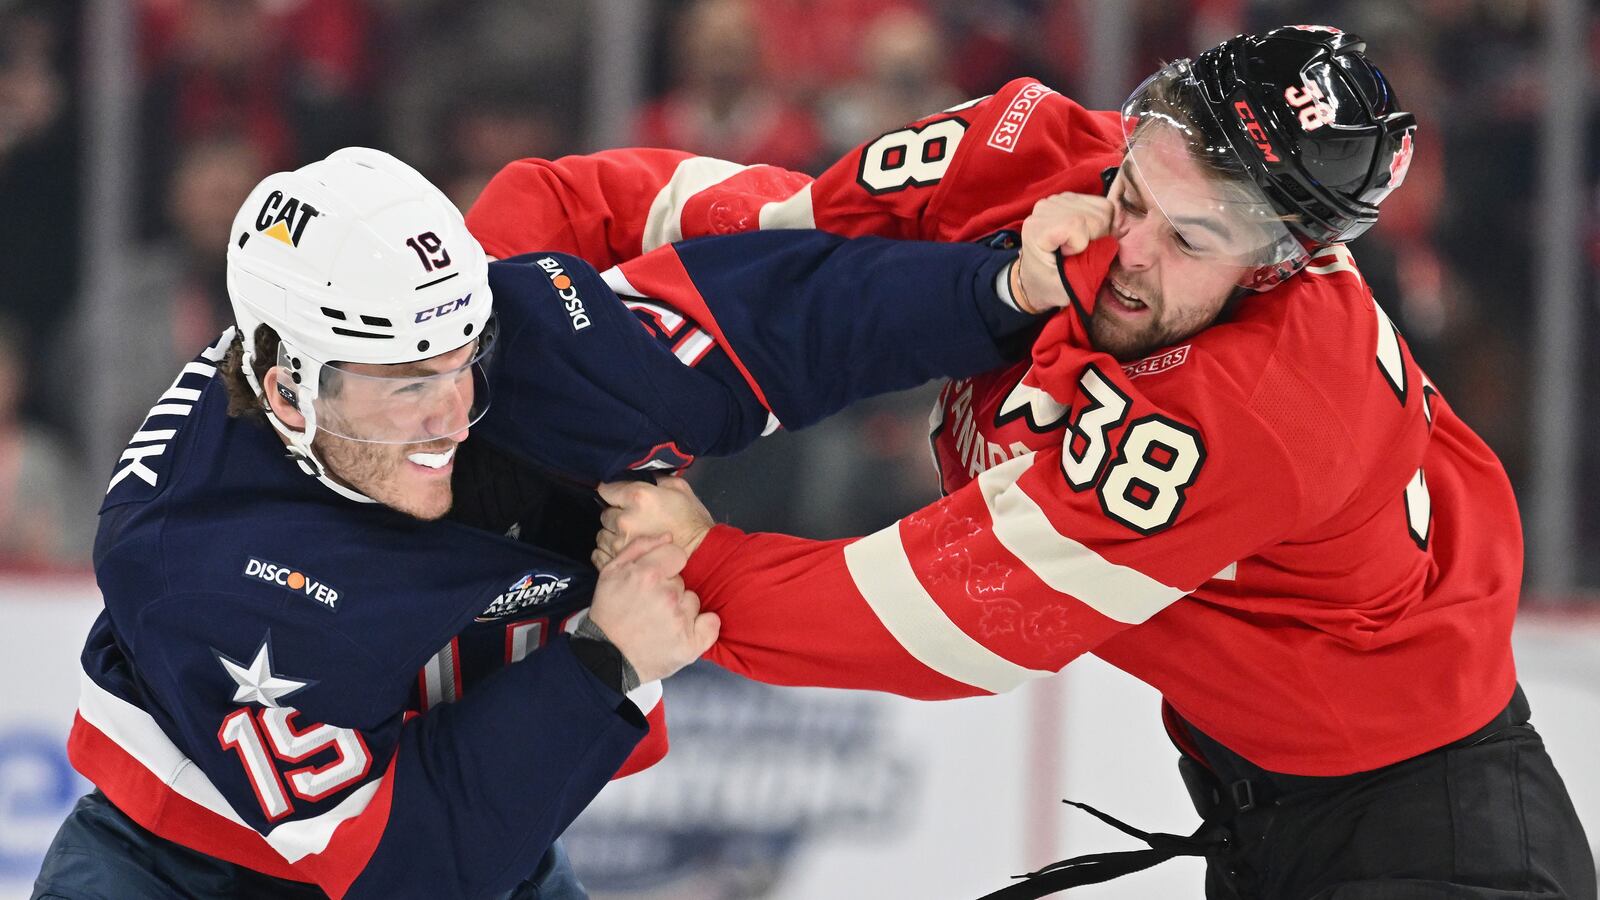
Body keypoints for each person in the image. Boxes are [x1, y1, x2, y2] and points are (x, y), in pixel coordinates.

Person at [586, 28, 1597, 899]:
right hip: (1277, 805)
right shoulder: (1038, 149)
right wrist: (553, 253)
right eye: (1132, 191)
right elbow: (783, 229)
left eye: (1191, 238)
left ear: (1277, 264)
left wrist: (698, 567)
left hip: (1433, 840)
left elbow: (952, 617)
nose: (1132, 248)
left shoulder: (1261, 405)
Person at [34, 147, 1060, 899]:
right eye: (406, 386)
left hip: (484, 841)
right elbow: (409, 868)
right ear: (287, 393)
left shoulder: (525, 344)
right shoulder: (195, 561)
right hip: (189, 872)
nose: (451, 416)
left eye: (461, 363)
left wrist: (1007, 284)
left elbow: (789, 320)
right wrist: (608, 661)